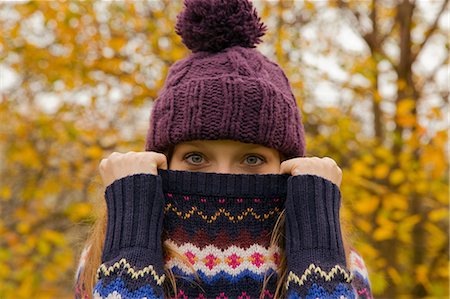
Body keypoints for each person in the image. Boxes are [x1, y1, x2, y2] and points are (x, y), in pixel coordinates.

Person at [75, 0, 373, 298]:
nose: (222, 176)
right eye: (196, 157)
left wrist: (317, 253)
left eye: (252, 158)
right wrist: (131, 242)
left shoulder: (342, 264)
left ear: (289, 164)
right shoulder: (104, 255)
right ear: (162, 162)